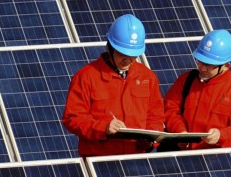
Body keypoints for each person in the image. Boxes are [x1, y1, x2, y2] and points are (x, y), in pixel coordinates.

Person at [62, 14, 164, 157]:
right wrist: (103, 127)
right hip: (100, 160)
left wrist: (151, 140)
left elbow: (156, 116)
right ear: (110, 47)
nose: (127, 59)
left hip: (137, 159)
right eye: (122, 53)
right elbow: (72, 118)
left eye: (133, 54)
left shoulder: (147, 77)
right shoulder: (86, 76)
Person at [163, 29, 231, 149]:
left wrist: (220, 135)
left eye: (208, 64)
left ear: (226, 66)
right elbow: (170, 109)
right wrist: (180, 132)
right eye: (200, 61)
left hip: (217, 162)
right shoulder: (186, 80)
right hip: (182, 156)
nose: (202, 68)